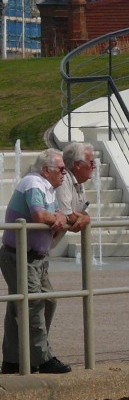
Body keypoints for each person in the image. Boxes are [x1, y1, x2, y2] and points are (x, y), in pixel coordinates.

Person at [1, 149, 71, 374]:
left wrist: (60, 217)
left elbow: (56, 214)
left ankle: (13, 360)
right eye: (60, 169)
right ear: (46, 170)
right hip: (20, 256)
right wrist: (58, 218)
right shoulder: (34, 183)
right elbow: (39, 216)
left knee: (27, 305)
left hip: (37, 258)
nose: (64, 173)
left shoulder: (48, 188)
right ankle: (42, 358)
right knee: (33, 306)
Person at [54, 142, 95, 256]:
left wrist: (85, 217)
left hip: (39, 252)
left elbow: (82, 214)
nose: (94, 166)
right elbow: (67, 215)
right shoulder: (63, 179)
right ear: (77, 165)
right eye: (91, 162)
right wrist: (85, 219)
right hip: (25, 250)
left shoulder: (79, 183)